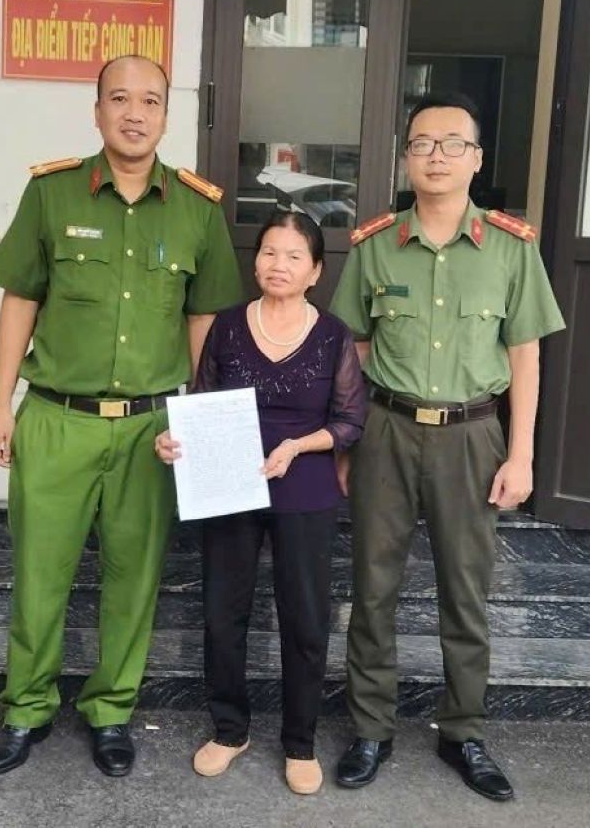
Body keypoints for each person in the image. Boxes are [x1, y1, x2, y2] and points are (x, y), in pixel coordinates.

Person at [0, 55, 243, 779]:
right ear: (97, 111)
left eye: (150, 101)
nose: (135, 113)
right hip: (56, 419)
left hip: (149, 429)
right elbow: (20, 301)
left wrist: (197, 422)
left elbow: (204, 323)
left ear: (166, 115)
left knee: (134, 577)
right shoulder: (52, 193)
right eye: (120, 99)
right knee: (39, 575)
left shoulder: (197, 209)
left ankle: (111, 710)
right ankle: (26, 708)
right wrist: (0, 404)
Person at [329, 91, 565, 801]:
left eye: (452, 143)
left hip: (472, 436)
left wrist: (521, 454)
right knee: (373, 589)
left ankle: (463, 731)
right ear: (406, 157)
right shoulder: (374, 245)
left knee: (466, 594)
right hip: (386, 431)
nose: (437, 156)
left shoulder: (510, 249)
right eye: (423, 143)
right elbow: (353, 349)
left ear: (477, 158)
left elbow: (525, 357)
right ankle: (370, 729)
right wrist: (346, 442)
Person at [155, 210, 366, 795]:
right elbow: (201, 402)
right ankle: (229, 730)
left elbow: (350, 421)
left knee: (305, 616)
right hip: (230, 485)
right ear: (256, 262)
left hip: (305, 486)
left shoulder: (333, 335)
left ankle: (300, 742)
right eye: (270, 252)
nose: (279, 265)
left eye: (294, 256)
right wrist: (173, 440)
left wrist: (298, 445)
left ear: (316, 271)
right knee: (223, 611)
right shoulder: (227, 326)